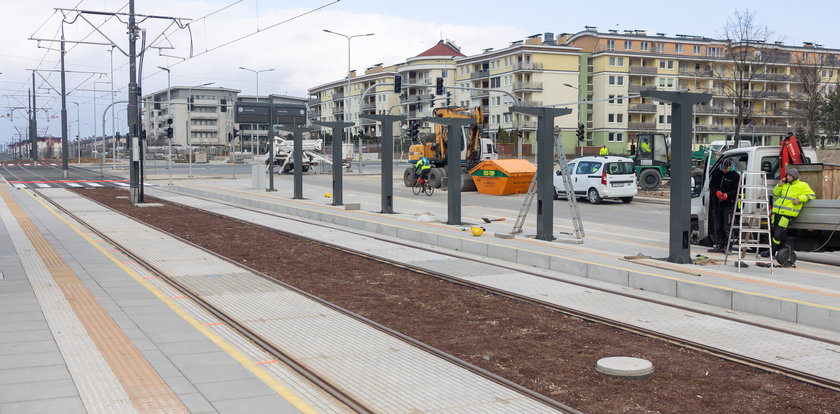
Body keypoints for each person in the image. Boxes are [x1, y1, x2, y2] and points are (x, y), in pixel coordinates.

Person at [768, 167, 815, 257]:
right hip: (777, 213)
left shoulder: (803, 185)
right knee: (779, 234)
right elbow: (775, 194)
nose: (788, 177)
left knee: (778, 235)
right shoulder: (785, 185)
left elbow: (812, 195)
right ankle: (781, 253)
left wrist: (800, 199)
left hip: (787, 215)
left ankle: (772, 252)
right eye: (787, 175)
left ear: (795, 176)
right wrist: (780, 185)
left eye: (790, 175)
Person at [707, 158, 740, 253]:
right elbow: (711, 185)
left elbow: (736, 190)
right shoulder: (717, 173)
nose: (724, 170)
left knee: (727, 226)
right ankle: (719, 245)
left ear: (730, 166)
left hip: (728, 204)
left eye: (726, 168)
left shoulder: (735, 176)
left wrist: (727, 195)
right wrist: (716, 192)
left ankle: (728, 246)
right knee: (717, 225)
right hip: (717, 203)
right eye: (723, 168)